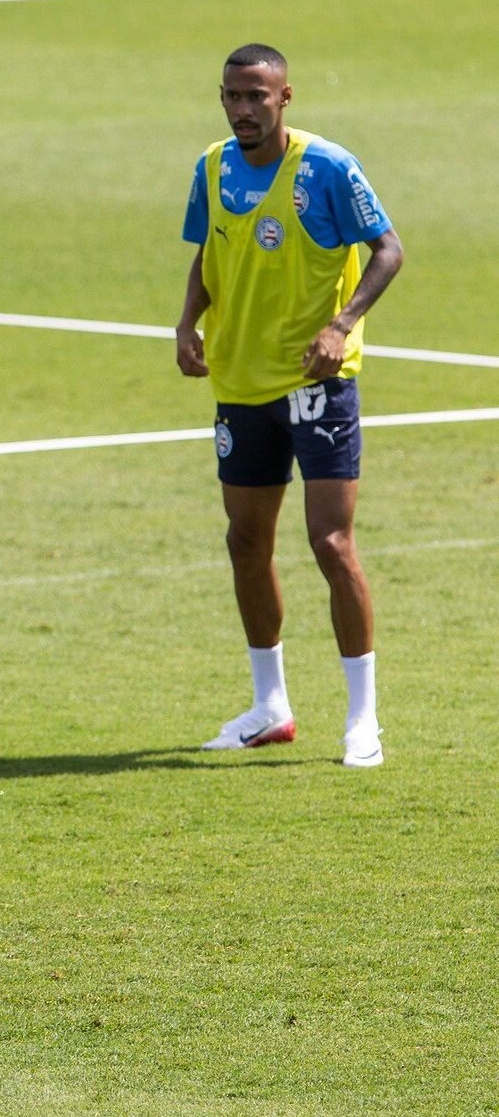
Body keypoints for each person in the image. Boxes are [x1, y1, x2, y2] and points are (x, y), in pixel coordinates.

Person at [175, 43, 402, 768]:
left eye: (257, 96)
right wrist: (186, 323)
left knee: (331, 543)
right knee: (246, 541)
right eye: (233, 96)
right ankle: (270, 706)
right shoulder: (212, 168)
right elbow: (209, 252)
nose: (244, 109)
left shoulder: (326, 167)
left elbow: (389, 250)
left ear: (285, 97)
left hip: (315, 383)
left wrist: (342, 325)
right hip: (240, 383)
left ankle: (362, 719)